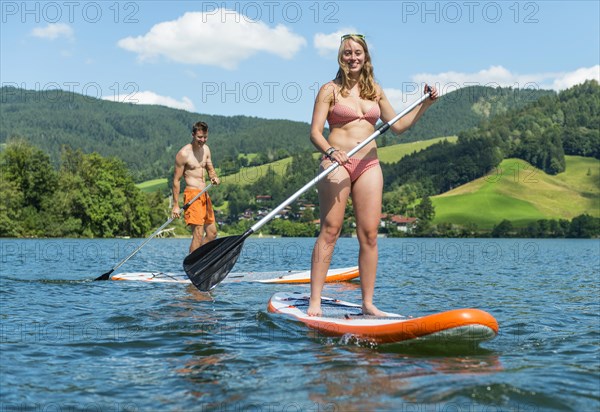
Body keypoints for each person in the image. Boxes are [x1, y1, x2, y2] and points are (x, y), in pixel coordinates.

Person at [308, 34, 438, 316]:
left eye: (357, 53)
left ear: (365, 57)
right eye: (347, 53)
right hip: (336, 164)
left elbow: (399, 125)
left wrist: (424, 103)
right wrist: (331, 151)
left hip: (369, 164)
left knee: (369, 235)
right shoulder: (329, 90)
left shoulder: (375, 91)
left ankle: (367, 303)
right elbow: (315, 132)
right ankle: (315, 300)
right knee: (330, 231)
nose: (352, 57)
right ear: (340, 57)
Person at [172, 121, 220, 254]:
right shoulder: (183, 154)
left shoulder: (206, 150)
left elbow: (210, 169)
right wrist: (175, 205)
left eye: (205, 137)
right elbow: (176, 180)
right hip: (192, 195)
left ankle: (199, 260)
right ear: (193, 135)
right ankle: (193, 264)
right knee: (198, 234)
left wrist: (214, 177)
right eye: (199, 137)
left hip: (204, 194)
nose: (202, 140)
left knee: (212, 233)